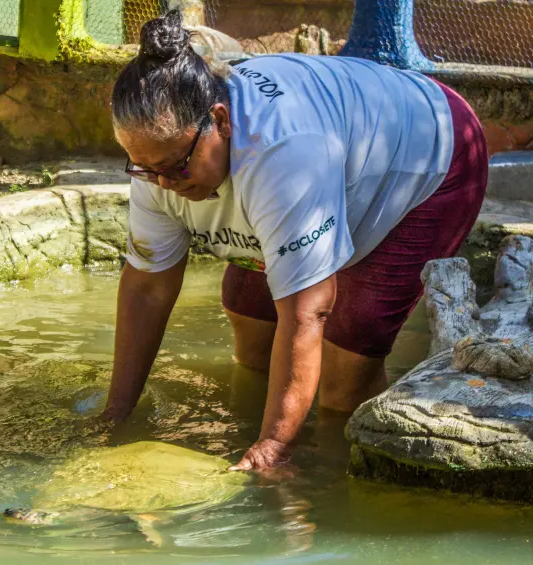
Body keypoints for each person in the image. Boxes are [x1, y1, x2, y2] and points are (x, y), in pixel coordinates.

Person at [100, 10, 488, 471]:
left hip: (428, 155)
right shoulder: (160, 159)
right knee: (249, 319)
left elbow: (308, 311)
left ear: (220, 121)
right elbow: (147, 288)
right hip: (338, 154)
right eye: (145, 169)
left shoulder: (286, 152)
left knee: (345, 371)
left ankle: (339, 469)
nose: (163, 184)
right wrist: (115, 417)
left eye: (174, 166)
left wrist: (273, 449)